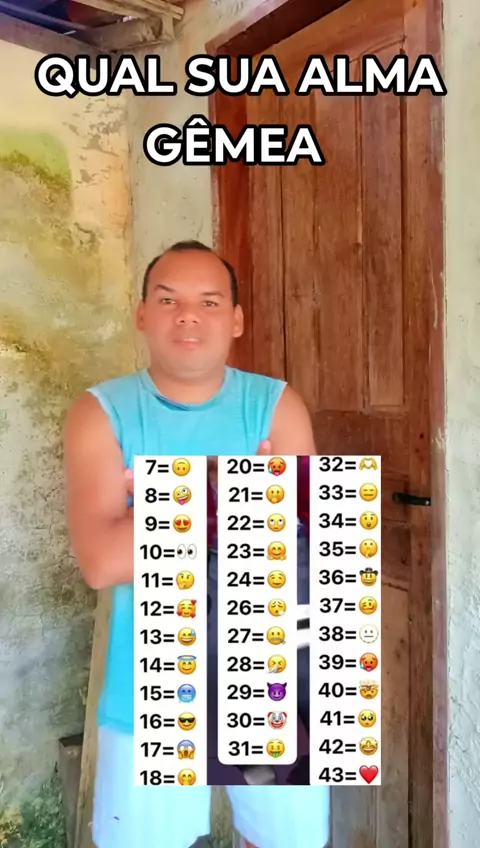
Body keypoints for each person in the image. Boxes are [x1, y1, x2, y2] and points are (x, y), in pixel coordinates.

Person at [64, 240, 330, 848]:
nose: (188, 315)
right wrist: (244, 497)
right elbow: (103, 562)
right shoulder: (100, 413)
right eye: (169, 300)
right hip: (149, 689)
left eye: (209, 302)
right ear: (142, 315)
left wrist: (164, 505)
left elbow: (307, 548)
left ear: (235, 319)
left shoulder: (277, 405)